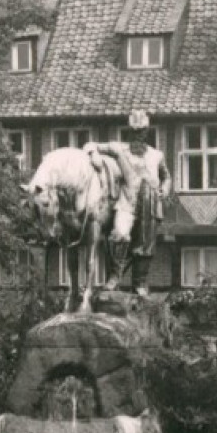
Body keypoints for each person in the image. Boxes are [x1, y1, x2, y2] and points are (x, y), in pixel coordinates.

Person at [86, 110, 172, 296]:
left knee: (145, 243)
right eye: (135, 132)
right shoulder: (119, 149)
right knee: (119, 234)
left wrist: (164, 190)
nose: (138, 135)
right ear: (130, 132)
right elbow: (90, 144)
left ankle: (139, 283)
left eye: (141, 132)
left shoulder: (157, 155)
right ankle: (114, 277)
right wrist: (93, 154)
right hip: (127, 202)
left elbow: (166, 177)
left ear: (147, 132)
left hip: (150, 203)